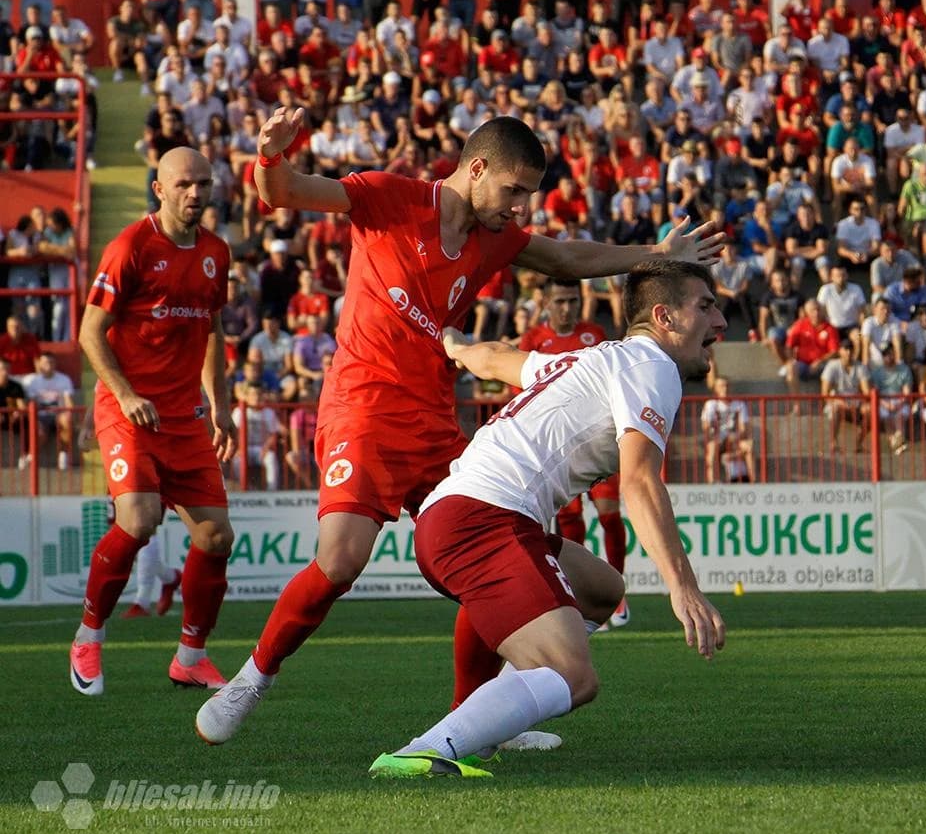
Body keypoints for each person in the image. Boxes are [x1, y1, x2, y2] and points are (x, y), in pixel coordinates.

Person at [195, 113, 721, 745]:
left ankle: (480, 715)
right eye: (514, 191)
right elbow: (286, 192)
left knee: (490, 552)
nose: (522, 208)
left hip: (436, 420)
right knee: (341, 559)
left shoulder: (495, 236)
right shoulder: (389, 197)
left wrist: (657, 255)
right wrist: (270, 157)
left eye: (531, 195)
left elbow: (565, 257)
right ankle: (253, 677)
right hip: (363, 405)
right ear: (476, 170)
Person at [368, 260, 727, 778]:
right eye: (706, 306)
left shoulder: (593, 359)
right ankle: (426, 751)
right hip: (482, 521)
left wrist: (453, 345)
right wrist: (683, 586)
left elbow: (495, 359)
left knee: (602, 590)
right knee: (573, 676)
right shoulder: (652, 367)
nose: (719, 322)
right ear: (664, 316)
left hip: (463, 514)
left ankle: (494, 718)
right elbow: (640, 482)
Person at [73, 147, 237, 697]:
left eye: (204, 183)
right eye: (185, 184)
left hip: (186, 415)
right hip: (130, 411)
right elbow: (90, 332)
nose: (196, 193)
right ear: (159, 189)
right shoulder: (130, 248)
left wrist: (221, 404)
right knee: (140, 520)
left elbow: (213, 330)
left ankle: (191, 657)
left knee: (215, 536)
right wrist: (123, 393)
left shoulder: (217, 252)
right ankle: (88, 637)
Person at [518, 279, 629, 627]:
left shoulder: (593, 333)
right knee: (569, 521)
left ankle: (617, 591)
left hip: (595, 440)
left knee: (610, 514)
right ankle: (576, 591)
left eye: (573, 301)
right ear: (547, 304)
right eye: (561, 301)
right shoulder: (533, 340)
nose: (568, 308)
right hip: (557, 445)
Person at [701, 376, 755, 482]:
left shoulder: (739, 404)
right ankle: (712, 482)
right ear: (715, 389)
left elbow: (744, 428)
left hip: (734, 438)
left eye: (727, 386)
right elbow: (706, 427)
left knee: (749, 447)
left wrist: (736, 436)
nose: (724, 389)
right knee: (712, 448)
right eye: (721, 386)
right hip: (717, 439)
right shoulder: (711, 404)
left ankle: (754, 481)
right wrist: (714, 437)